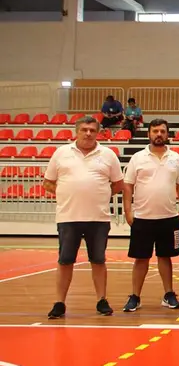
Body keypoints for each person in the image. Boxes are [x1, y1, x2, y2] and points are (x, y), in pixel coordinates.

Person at [44, 116, 124, 319]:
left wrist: (99, 195)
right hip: (68, 217)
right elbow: (48, 182)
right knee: (65, 261)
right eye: (84, 130)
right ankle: (59, 303)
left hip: (98, 218)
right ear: (76, 131)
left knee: (98, 260)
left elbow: (117, 184)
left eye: (92, 130)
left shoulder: (108, 155)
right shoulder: (61, 153)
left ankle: (101, 300)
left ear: (98, 132)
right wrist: (67, 194)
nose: (88, 133)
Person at [123, 119, 179, 312]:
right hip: (142, 217)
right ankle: (135, 296)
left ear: (167, 134)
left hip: (168, 218)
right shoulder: (137, 157)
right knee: (140, 259)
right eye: (155, 131)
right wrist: (128, 211)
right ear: (149, 134)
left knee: (165, 257)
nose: (158, 134)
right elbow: (128, 185)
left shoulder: (176, 158)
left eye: (162, 131)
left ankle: (168, 294)